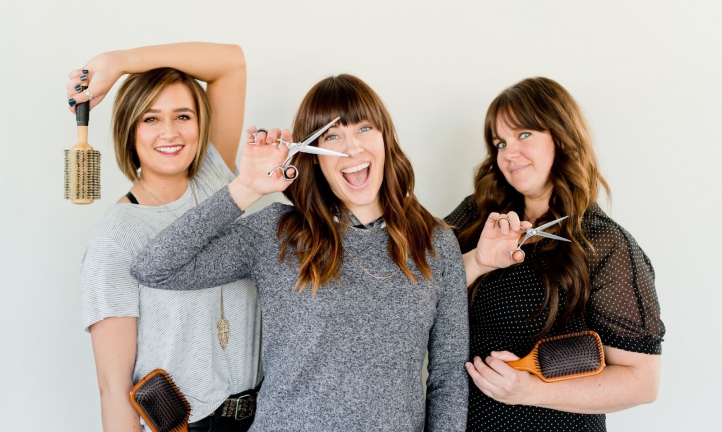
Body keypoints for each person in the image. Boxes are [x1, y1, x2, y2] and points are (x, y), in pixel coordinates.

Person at [130, 74, 469, 431]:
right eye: (332, 136)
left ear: (386, 138)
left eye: (364, 129)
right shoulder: (279, 233)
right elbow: (154, 267)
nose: (351, 149)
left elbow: (448, 378)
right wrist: (245, 188)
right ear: (314, 157)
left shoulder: (436, 242)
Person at [445, 77, 665, 431]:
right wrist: (477, 262)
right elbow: (415, 290)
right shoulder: (477, 218)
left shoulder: (602, 243)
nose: (508, 153)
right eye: (500, 142)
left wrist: (528, 390)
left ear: (561, 137)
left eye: (524, 135)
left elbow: (641, 381)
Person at [71, 43, 262, 432]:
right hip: (190, 426)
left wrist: (119, 63)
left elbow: (231, 64)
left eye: (183, 116)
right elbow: (114, 388)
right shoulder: (116, 238)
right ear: (130, 129)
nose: (170, 132)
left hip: (266, 414)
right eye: (151, 119)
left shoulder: (215, 176)